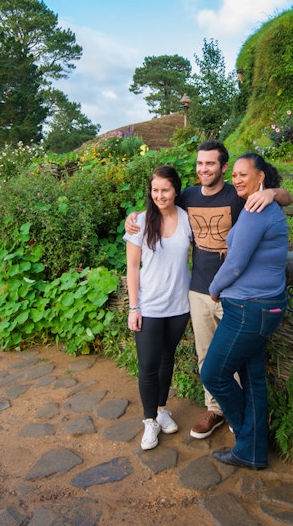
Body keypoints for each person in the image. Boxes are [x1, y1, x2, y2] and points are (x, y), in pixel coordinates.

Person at [126, 140, 291, 439]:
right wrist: (134, 217)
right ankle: (214, 409)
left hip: (235, 290)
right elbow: (161, 205)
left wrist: (272, 192)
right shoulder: (188, 197)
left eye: (211, 164)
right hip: (200, 290)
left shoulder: (238, 194)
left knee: (235, 356)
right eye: (200, 164)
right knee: (206, 355)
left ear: (223, 167)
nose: (204, 169)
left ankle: (237, 411)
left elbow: (287, 199)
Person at [201, 153, 289, 471]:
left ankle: (251, 440)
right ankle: (253, 450)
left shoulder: (257, 210)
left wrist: (213, 288)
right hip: (262, 306)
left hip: (249, 309)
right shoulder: (264, 205)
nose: (237, 179)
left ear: (260, 177)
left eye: (243, 174)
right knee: (253, 379)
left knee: (213, 373)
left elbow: (236, 263)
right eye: (234, 174)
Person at [123, 165, 193, 450]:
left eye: (165, 190)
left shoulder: (187, 219)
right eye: (155, 190)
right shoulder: (139, 221)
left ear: (176, 190)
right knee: (149, 365)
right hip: (149, 307)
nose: (160, 195)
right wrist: (133, 307)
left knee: (167, 359)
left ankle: (162, 409)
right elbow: (131, 267)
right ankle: (149, 421)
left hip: (179, 306)